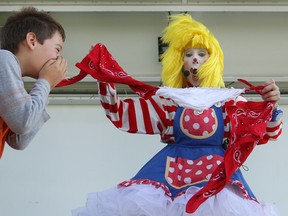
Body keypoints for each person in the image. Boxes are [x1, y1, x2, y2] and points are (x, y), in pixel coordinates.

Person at [72, 14, 283, 216]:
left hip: (216, 177)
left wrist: (271, 106)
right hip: (171, 172)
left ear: (213, 60)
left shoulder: (229, 101)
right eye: (188, 54)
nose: (195, 60)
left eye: (202, 54)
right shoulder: (170, 101)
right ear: (179, 62)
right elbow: (120, 113)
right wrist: (103, 77)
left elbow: (269, 133)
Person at [0, 7, 68, 158]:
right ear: (32, 40)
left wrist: (47, 86)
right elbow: (23, 122)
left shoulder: (11, 80)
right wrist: (46, 82)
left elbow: (18, 140)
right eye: (57, 49)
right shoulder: (3, 59)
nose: (58, 59)